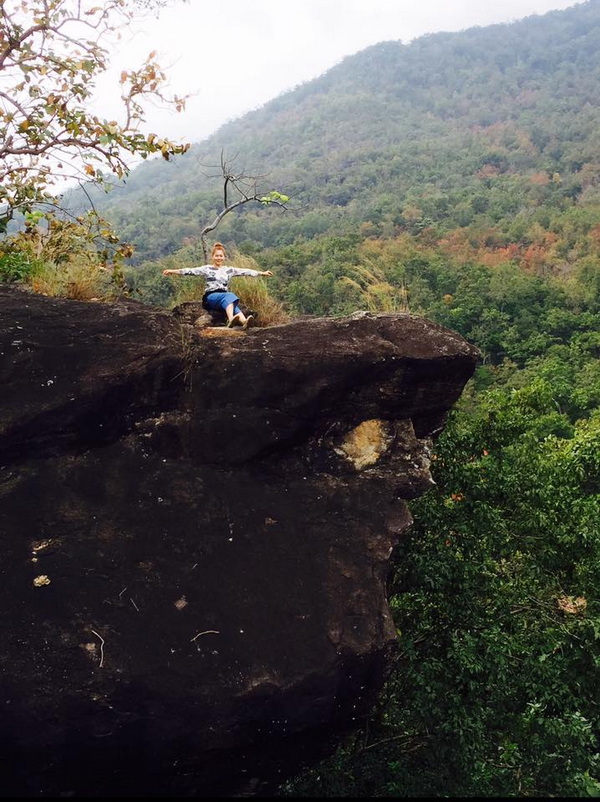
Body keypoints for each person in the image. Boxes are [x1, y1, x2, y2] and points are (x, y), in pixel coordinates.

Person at [162, 242, 273, 329]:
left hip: (223, 298)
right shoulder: (207, 269)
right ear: (213, 257)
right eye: (217, 256)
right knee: (229, 296)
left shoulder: (229, 270)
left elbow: (245, 271)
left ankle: (244, 322)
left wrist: (262, 273)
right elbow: (190, 271)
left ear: (224, 257)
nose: (219, 258)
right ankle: (231, 319)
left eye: (221, 256)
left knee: (232, 304)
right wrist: (172, 271)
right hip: (211, 297)